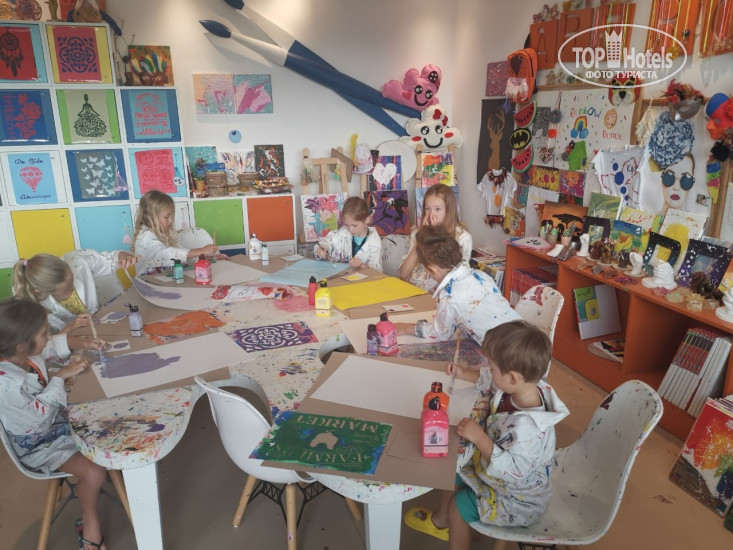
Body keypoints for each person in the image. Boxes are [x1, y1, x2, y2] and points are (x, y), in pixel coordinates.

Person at [404, 320, 570, 548]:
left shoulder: (529, 432)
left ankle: (454, 522)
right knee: (453, 472)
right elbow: (491, 382)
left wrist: (480, 437)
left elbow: (513, 471)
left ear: (513, 377)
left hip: (518, 501)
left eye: (492, 367)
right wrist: (464, 373)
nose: (488, 370)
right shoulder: (521, 387)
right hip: (497, 478)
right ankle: (442, 522)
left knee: (459, 506)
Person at [0, 298, 111, 550]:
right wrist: (61, 376)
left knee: (111, 423)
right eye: (43, 332)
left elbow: (53, 345)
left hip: (56, 422)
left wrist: (86, 343)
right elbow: (36, 421)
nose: (49, 335)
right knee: (94, 471)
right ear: (21, 345)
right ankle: (90, 525)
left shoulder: (24, 352)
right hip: (38, 444)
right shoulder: (5, 384)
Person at [394, 225, 519, 345]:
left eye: (428, 272)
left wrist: (406, 327)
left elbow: (440, 333)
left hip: (505, 350)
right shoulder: (481, 275)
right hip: (521, 333)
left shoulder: (449, 297)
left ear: (433, 269)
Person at [13, 249, 138, 334]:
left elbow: (112, 258)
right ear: (44, 291)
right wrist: (71, 327)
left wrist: (124, 257)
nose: (73, 288)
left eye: (72, 280)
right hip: (76, 344)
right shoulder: (34, 306)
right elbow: (48, 346)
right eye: (67, 288)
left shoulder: (76, 262)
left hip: (103, 329)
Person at [399, 184, 472, 292]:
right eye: (427, 209)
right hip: (414, 292)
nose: (431, 214)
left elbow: (456, 280)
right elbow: (403, 275)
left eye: (437, 209)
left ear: (449, 211)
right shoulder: (417, 234)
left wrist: (436, 236)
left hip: (441, 296)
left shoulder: (463, 237)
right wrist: (421, 238)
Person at [131, 190, 219, 275]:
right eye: (166, 217)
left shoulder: (162, 235)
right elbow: (169, 254)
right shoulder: (145, 237)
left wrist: (204, 257)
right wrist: (202, 250)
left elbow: (181, 255)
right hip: (147, 281)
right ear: (151, 217)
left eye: (171, 216)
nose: (170, 220)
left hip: (164, 279)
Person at [314, 196, 383, 271]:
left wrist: (361, 265)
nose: (350, 229)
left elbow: (376, 273)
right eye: (346, 225)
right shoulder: (342, 232)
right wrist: (322, 249)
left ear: (367, 220)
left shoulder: (375, 243)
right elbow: (325, 242)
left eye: (354, 225)